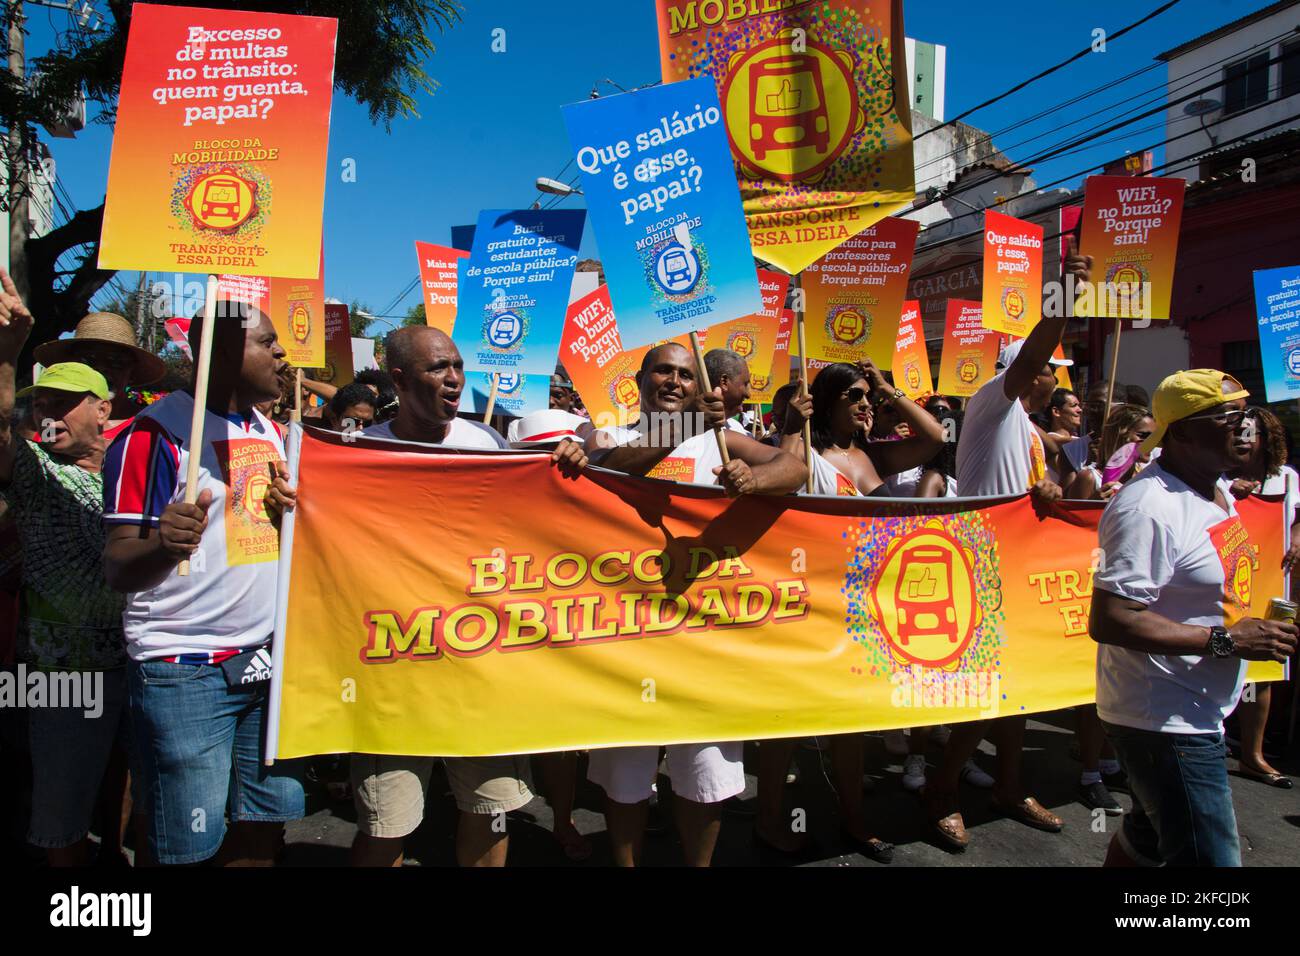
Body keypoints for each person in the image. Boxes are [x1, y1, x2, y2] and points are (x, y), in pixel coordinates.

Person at [348, 326, 587, 868]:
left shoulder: (489, 445)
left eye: (456, 365)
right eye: (438, 369)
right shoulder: (359, 454)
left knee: (490, 812)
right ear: (400, 379)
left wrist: (569, 464)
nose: (454, 378)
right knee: (387, 824)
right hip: (394, 671)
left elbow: (533, 525)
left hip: (481, 668)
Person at [584, 341, 806, 867]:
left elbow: (793, 470)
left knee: (706, 776)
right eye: (662, 371)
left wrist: (756, 479)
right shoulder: (610, 435)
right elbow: (614, 468)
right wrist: (685, 429)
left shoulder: (724, 441)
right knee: (626, 778)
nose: (674, 382)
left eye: (685, 375)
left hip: (705, 640)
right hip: (625, 641)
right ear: (639, 379)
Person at [101, 301, 303, 867]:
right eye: (268, 342)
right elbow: (118, 567)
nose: (282, 353)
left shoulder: (268, 429)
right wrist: (164, 544)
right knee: (185, 844)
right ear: (221, 350)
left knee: (265, 823)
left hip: (265, 662)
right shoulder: (153, 436)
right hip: (185, 671)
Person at [1090, 370, 1297, 866]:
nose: (1244, 428)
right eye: (1227, 417)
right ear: (1181, 431)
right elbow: (1112, 619)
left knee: (1145, 840)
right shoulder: (1149, 507)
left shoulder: (1217, 491)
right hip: (1165, 722)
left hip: (1197, 709)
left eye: (1244, 415)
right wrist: (1228, 641)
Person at [925, 239, 1092, 850]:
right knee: (986, 690)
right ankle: (940, 790)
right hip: (981, 566)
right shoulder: (992, 403)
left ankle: (1009, 784)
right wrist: (1065, 299)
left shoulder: (1030, 430)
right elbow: (1029, 361)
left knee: (1022, 687)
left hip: (1023, 569)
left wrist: (1046, 487)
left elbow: (1042, 487)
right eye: (1049, 368)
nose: (1055, 376)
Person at [756, 358, 943, 861]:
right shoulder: (798, 455)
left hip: (863, 605)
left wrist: (889, 389)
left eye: (868, 398)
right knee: (788, 724)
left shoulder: (872, 457)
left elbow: (935, 439)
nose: (866, 406)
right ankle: (769, 819)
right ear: (827, 403)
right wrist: (794, 425)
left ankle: (855, 819)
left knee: (853, 721)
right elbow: (779, 475)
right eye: (854, 397)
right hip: (808, 601)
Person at [0, 271, 131, 867]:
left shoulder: (134, 467)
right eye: (41, 402)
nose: (46, 412)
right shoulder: (34, 469)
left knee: (123, 804)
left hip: (135, 665)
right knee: (59, 815)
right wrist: (8, 355)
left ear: (104, 408)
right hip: (59, 674)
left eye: (63, 401)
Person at [1225, 406, 1298, 789]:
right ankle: (1214, 739)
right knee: (1218, 658)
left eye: (1249, 432)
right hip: (1228, 586)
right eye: (1236, 431)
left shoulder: (1286, 478)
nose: (1241, 438)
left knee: (1262, 670)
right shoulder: (1219, 479)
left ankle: (1252, 754)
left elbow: (1296, 517)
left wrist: (1297, 539)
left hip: (1270, 583)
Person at [34, 312, 167, 441]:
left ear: (132, 372)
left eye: (116, 361)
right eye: (88, 359)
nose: (101, 369)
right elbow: (43, 446)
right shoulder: (47, 417)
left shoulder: (151, 429)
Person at [1064, 404, 1155, 501]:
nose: (1151, 441)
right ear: (1120, 435)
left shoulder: (1148, 476)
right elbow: (1071, 515)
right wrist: (1094, 503)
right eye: (1143, 435)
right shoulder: (1090, 478)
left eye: (1153, 436)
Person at [703, 348, 751, 433]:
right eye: (745, 384)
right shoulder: (686, 428)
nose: (748, 394)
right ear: (724, 382)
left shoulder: (738, 429)